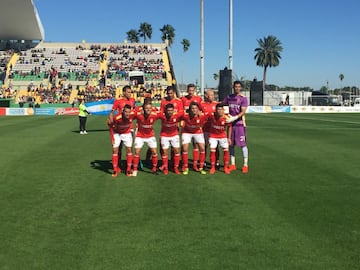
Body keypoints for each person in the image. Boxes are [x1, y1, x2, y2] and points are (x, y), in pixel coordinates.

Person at [222, 81, 249, 173]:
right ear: (233, 87)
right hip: (230, 125)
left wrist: (234, 118)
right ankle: (233, 164)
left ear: (241, 88)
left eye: (239, 87)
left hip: (240, 124)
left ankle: (245, 165)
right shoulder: (229, 97)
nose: (237, 88)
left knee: (243, 145)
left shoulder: (243, 99)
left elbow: (243, 112)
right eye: (235, 86)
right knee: (231, 145)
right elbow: (222, 105)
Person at [132, 102, 161, 176]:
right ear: (143, 109)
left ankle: (154, 169)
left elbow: (164, 115)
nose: (148, 110)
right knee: (137, 152)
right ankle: (135, 170)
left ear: (152, 109)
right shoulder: (138, 115)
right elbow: (130, 115)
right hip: (140, 135)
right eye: (146, 108)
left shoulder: (155, 115)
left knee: (154, 152)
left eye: (150, 108)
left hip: (150, 135)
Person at [181, 83, 203, 171]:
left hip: (196, 126)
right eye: (189, 90)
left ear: (194, 91)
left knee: (196, 145)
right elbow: (181, 111)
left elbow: (201, 111)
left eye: (192, 90)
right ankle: (184, 165)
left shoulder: (198, 99)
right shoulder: (183, 99)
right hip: (186, 126)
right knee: (184, 147)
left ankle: (195, 164)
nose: (191, 92)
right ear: (187, 90)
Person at [181, 101, 207, 175]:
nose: (194, 110)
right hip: (187, 132)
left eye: (195, 108)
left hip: (197, 131)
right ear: (190, 109)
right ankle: (185, 167)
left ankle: (201, 167)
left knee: (202, 148)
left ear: (198, 109)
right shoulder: (185, 115)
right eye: (192, 108)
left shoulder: (202, 116)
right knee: (185, 148)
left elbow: (211, 116)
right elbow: (178, 117)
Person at [207, 103, 232, 174]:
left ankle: (225, 167)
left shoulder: (227, 117)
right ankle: (212, 167)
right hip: (213, 136)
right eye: (218, 109)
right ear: (216, 110)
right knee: (212, 150)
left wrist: (229, 138)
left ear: (223, 110)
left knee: (226, 150)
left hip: (222, 136)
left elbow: (230, 127)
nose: (219, 111)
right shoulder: (211, 116)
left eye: (221, 109)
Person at [110, 104, 134, 177]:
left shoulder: (132, 115)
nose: (127, 114)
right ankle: (115, 170)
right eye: (126, 112)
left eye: (129, 112)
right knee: (115, 150)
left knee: (129, 150)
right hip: (117, 133)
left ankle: (128, 169)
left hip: (127, 133)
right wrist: (112, 138)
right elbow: (111, 127)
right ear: (123, 111)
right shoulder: (117, 118)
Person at [159, 103, 183, 175]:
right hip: (164, 135)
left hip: (174, 135)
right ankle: (165, 168)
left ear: (174, 110)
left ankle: (175, 168)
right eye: (168, 110)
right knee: (164, 152)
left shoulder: (177, 115)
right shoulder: (162, 115)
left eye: (171, 110)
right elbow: (153, 112)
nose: (170, 112)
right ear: (165, 111)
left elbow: (185, 114)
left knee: (177, 151)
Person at [201, 89, 219, 167]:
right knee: (204, 146)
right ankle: (203, 161)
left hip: (214, 130)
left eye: (213, 95)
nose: (212, 97)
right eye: (210, 95)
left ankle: (217, 161)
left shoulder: (216, 104)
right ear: (206, 96)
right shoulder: (201, 104)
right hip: (204, 129)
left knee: (215, 146)